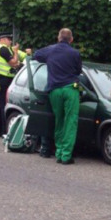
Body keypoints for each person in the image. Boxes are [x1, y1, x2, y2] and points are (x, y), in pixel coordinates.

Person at [32, 28, 83, 165]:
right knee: (70, 122)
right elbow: (78, 71)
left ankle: (59, 152)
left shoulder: (50, 50)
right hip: (70, 89)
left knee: (59, 121)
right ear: (71, 39)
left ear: (58, 38)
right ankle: (66, 156)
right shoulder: (75, 53)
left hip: (54, 91)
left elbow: (36, 55)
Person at [0, 32, 28, 137]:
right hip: (4, 80)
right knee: (4, 106)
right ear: (2, 39)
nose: (10, 41)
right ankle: (4, 131)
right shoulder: (3, 49)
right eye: (9, 39)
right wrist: (15, 52)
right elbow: (14, 63)